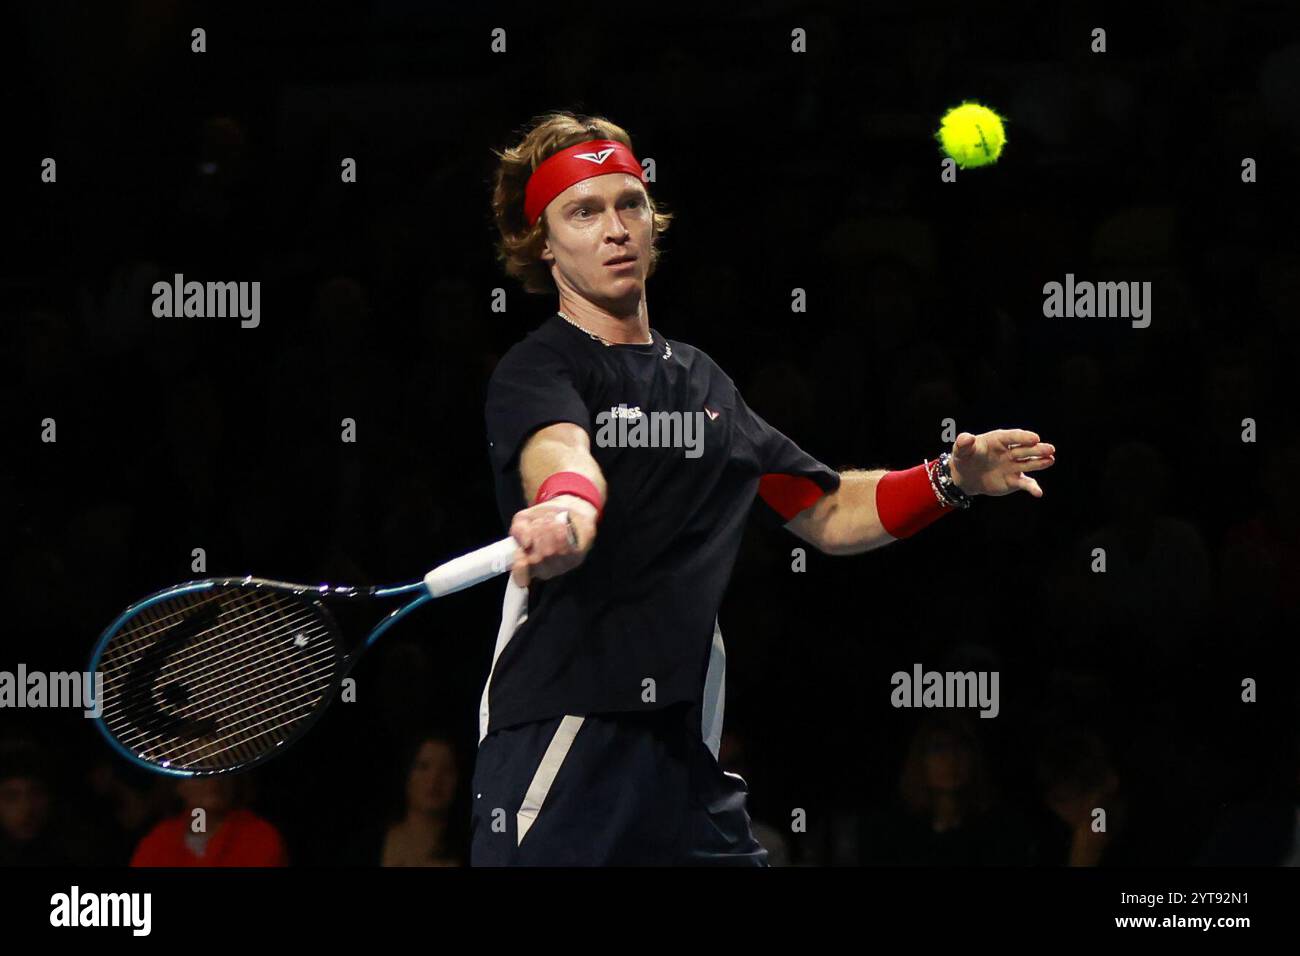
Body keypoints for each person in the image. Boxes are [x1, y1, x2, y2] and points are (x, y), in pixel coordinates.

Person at [473, 110, 1056, 866]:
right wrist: (566, 507)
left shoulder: (703, 381)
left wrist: (952, 477)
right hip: (569, 740)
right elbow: (561, 450)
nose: (616, 227)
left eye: (630, 203)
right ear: (543, 244)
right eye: (585, 211)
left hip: (685, 754)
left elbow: (827, 510)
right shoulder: (540, 367)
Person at [130, 775, 287, 867]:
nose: (213, 782)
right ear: (178, 785)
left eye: (220, 768)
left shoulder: (259, 836)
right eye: (200, 773)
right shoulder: (157, 842)